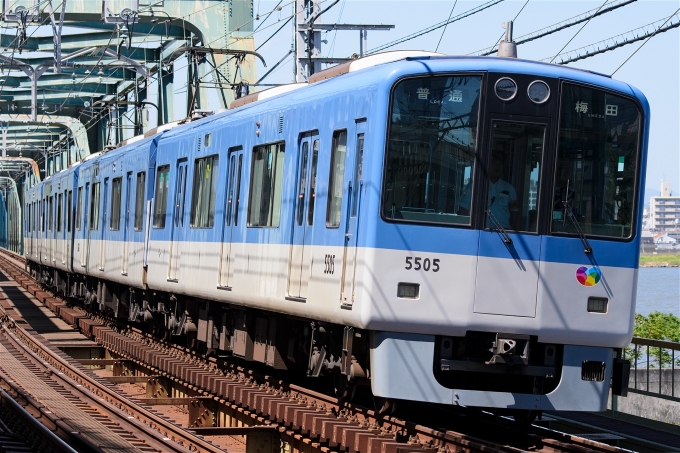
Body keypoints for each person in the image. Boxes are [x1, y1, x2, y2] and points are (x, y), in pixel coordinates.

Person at [457, 153, 519, 229]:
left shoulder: (509, 188)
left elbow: (514, 213)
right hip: (479, 230)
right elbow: (463, 209)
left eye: (500, 164)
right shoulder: (475, 185)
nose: (497, 167)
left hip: (504, 233)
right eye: (493, 163)